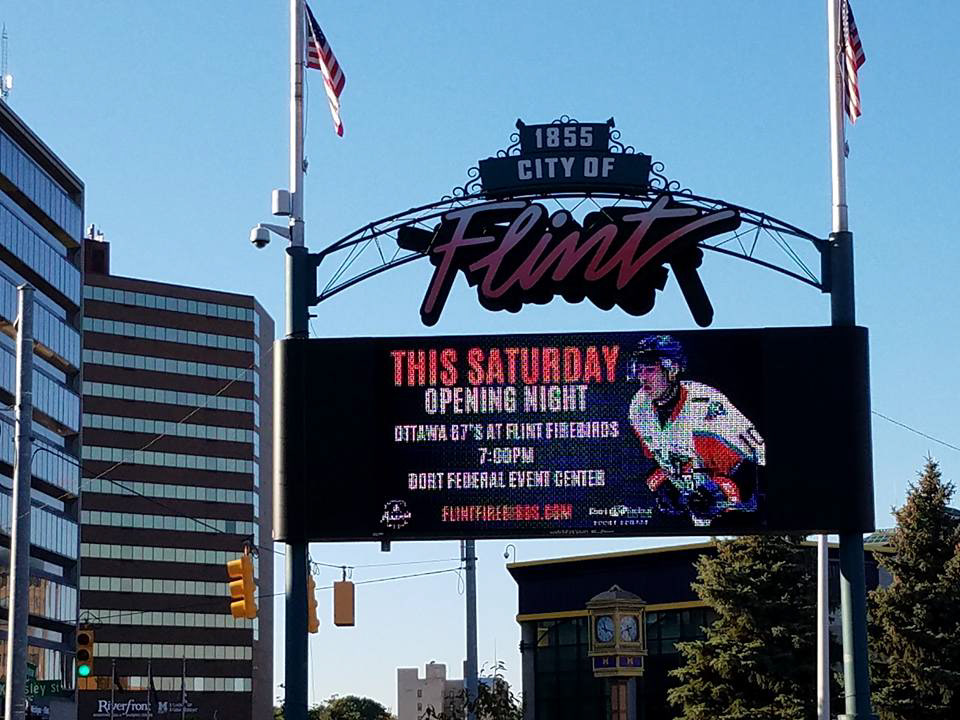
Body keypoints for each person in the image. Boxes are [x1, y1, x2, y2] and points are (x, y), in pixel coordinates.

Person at [626, 335, 765, 527]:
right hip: (697, 516)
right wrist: (662, 486)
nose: (642, 377)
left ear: (672, 369)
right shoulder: (639, 407)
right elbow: (647, 461)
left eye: (650, 369)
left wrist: (717, 491)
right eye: (639, 370)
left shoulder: (706, 404)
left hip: (740, 516)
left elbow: (757, 465)